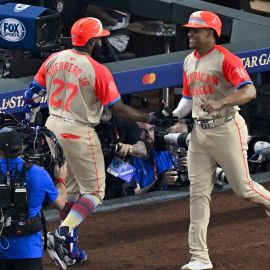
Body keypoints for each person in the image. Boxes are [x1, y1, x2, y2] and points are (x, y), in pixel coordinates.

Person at [23, 17, 169, 270]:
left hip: (52, 127)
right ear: (91, 41)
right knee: (94, 193)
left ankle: (69, 249)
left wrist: (30, 119)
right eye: (99, 37)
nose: (102, 40)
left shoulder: (54, 58)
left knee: (70, 191)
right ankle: (63, 232)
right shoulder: (97, 70)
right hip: (78, 130)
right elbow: (119, 108)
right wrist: (150, 117)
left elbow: (31, 94)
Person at [172, 10, 270, 270]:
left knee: (244, 189)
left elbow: (248, 90)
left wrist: (221, 101)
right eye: (189, 29)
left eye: (194, 29)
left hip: (227, 129)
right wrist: (168, 115)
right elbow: (187, 99)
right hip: (200, 135)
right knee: (198, 193)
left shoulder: (226, 59)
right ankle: (199, 257)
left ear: (210, 33)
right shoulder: (187, 61)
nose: (189, 33)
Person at [0, 127, 67, 270]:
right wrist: (61, 179)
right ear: (20, 148)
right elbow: (60, 203)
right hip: (29, 251)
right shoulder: (38, 173)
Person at [133, 122, 179, 194]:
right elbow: (132, 197)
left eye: (151, 129)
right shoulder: (122, 163)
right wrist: (160, 182)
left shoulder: (164, 153)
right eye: (142, 131)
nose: (148, 134)